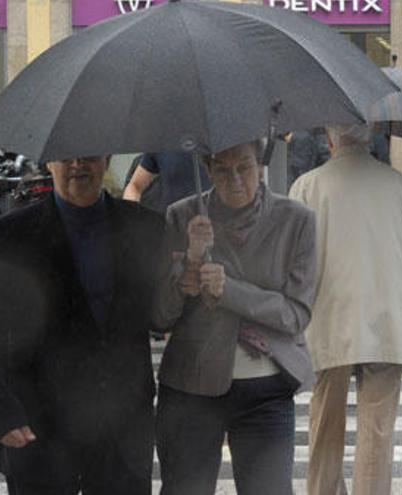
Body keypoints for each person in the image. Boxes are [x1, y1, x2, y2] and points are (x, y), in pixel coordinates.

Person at [0, 155, 165, 495]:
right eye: (66, 156)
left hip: (121, 428)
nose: (77, 164)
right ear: (49, 162)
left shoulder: (145, 227)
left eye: (88, 155)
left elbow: (162, 316)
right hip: (39, 427)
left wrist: (193, 270)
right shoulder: (10, 235)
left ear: (106, 160)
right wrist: (1, 413)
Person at [289, 123, 402, 495]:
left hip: (328, 322)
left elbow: (294, 261)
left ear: (329, 141)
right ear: (371, 137)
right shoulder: (401, 186)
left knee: (324, 426)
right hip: (386, 322)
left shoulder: (307, 187)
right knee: (377, 432)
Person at [153, 139, 316, 495]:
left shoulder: (297, 221)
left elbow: (296, 315)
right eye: (222, 169)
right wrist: (190, 265)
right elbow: (160, 316)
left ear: (260, 165)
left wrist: (230, 291)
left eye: (244, 166)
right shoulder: (182, 216)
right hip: (191, 386)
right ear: (207, 170)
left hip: (265, 390)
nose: (235, 178)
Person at [122, 151, 211, 212]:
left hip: (215, 227)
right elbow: (134, 186)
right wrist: (131, 216)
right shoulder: (163, 142)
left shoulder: (216, 140)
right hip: (171, 229)